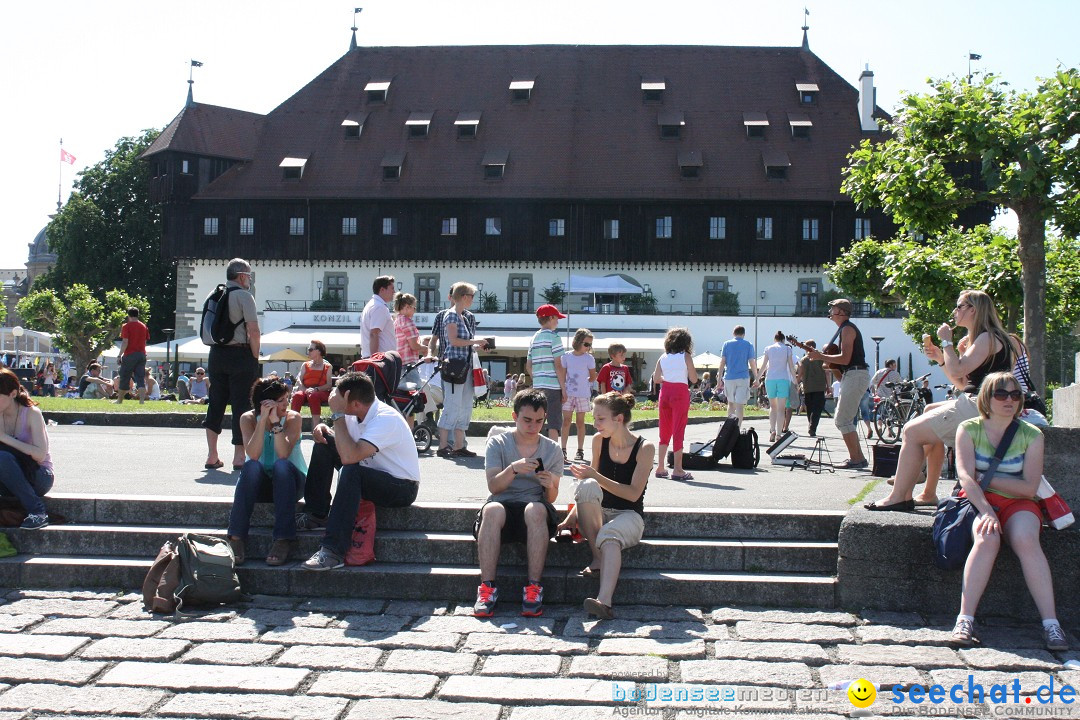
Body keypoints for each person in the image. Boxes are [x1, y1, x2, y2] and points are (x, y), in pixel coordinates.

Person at [948, 372, 1067, 651]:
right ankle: (964, 619)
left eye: (1015, 395)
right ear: (986, 399)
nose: (1009, 400)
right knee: (986, 538)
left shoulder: (1031, 434)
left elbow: (1028, 488)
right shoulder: (968, 428)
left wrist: (986, 476)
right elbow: (965, 478)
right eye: (1001, 394)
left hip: (1018, 502)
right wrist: (987, 509)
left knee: (1027, 539)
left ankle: (1051, 624)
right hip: (978, 500)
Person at [867, 290, 1015, 510]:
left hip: (980, 406)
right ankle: (928, 493)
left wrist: (947, 342)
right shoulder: (992, 337)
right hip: (982, 403)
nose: (955, 312)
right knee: (928, 410)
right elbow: (962, 383)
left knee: (910, 431)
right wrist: (940, 358)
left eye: (959, 307)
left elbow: (959, 369)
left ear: (972, 310)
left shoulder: (987, 337)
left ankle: (899, 496)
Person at [301, 372, 421, 570]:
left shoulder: (386, 419)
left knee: (351, 471)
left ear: (353, 402)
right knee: (323, 445)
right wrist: (325, 429)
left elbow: (350, 457)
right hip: (367, 471)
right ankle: (316, 513)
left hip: (401, 486)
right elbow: (344, 444)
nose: (332, 400)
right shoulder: (353, 413)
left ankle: (332, 551)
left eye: (337, 397)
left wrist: (337, 414)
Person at [559, 391, 653, 621]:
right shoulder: (599, 440)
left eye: (600, 419)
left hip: (629, 515)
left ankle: (604, 602)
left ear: (619, 419)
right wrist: (571, 516)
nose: (595, 423)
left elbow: (633, 494)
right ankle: (597, 557)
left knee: (610, 534)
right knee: (587, 484)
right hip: (601, 511)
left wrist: (595, 477)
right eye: (594, 417)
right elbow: (592, 485)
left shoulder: (645, 447)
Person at [473, 389, 564, 617]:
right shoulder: (498, 443)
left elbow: (551, 499)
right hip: (502, 506)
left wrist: (550, 483)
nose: (533, 426)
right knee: (492, 509)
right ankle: (487, 588)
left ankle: (534, 588)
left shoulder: (552, 449)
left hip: (534, 511)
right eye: (527, 420)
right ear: (514, 417)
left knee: (535, 510)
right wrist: (513, 469)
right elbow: (493, 487)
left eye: (538, 421)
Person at [227, 377, 306, 566]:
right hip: (260, 485)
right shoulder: (247, 419)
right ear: (263, 403)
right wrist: (262, 421)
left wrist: (276, 423)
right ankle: (236, 538)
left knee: (281, 465)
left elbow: (283, 454)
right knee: (251, 465)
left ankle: (283, 539)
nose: (286, 403)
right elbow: (252, 455)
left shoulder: (293, 418)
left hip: (290, 481)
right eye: (280, 401)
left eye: (287, 398)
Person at [203, 258, 261, 472]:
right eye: (249, 275)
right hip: (240, 354)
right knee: (241, 404)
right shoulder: (244, 296)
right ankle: (239, 456)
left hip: (216, 354)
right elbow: (253, 331)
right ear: (242, 276)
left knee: (216, 401)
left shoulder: (214, 295)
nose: (249, 279)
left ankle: (212, 454)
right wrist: (255, 355)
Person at [808, 299, 870, 469]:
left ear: (841, 312)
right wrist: (824, 358)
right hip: (854, 374)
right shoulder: (844, 329)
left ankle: (856, 459)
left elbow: (845, 358)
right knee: (845, 419)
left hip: (856, 374)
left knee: (842, 419)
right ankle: (858, 458)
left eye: (833, 308)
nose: (830, 310)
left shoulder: (848, 329)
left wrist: (821, 356)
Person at [428, 283, 488, 458]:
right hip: (454, 366)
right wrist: (475, 342)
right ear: (463, 296)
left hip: (464, 366)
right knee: (453, 405)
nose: (472, 299)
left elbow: (459, 342)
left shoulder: (462, 316)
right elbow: (453, 341)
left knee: (465, 405)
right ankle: (443, 445)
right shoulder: (452, 316)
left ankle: (459, 445)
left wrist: (476, 344)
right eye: (471, 295)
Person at [0, 367, 54, 530]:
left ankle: (37, 512)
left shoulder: (31, 414)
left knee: (2, 457)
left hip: (38, 475)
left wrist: (4, 438)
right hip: (10, 478)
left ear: (13, 394)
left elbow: (39, 454)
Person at [651, 327, 697, 481]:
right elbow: (694, 378)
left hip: (665, 393)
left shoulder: (663, 357)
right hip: (680, 393)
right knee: (678, 430)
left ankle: (660, 467)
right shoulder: (686, 356)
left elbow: (656, 378)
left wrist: (667, 378)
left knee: (664, 431)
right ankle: (678, 469)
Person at [527, 305, 567, 445]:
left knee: (537, 420)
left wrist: (537, 379)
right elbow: (558, 365)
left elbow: (528, 366)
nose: (558, 321)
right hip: (553, 387)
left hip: (538, 386)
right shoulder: (554, 337)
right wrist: (564, 387)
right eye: (556, 318)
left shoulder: (534, 338)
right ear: (550, 318)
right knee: (554, 422)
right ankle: (553, 454)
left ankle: (534, 451)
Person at [560, 329, 597, 463]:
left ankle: (580, 450)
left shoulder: (589, 358)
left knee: (580, 422)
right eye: (586, 344)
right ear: (578, 341)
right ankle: (563, 449)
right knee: (566, 421)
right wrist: (563, 390)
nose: (588, 348)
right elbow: (562, 376)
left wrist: (585, 381)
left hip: (582, 394)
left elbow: (593, 376)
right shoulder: (566, 357)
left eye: (590, 345)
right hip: (568, 393)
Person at [715, 325, 759, 426]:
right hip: (743, 377)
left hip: (729, 377)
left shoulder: (726, 344)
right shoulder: (748, 344)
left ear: (733, 333)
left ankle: (730, 427)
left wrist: (719, 380)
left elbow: (722, 362)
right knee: (740, 405)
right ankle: (737, 429)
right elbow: (752, 362)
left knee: (730, 403)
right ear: (744, 334)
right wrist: (756, 377)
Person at [758, 331, 797, 443]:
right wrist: (795, 381)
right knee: (781, 409)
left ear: (774, 339)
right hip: (783, 379)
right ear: (783, 340)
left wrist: (757, 379)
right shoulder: (787, 349)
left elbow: (764, 365)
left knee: (772, 407)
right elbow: (791, 366)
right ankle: (779, 434)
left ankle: (772, 430)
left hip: (770, 379)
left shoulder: (768, 348)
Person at [290, 340, 333, 427]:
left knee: (314, 396)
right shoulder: (305, 365)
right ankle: (292, 424)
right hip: (305, 390)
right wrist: (304, 389)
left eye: (310, 350)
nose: (308, 352)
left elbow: (329, 384)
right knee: (297, 395)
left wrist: (316, 389)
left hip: (320, 392)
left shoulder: (327, 367)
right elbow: (299, 379)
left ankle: (315, 427)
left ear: (319, 351)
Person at [114, 307, 150, 405]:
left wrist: (119, 355)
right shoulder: (144, 326)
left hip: (130, 355)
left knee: (124, 377)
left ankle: (119, 400)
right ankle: (142, 401)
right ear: (137, 314)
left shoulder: (126, 326)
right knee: (140, 378)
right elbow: (145, 341)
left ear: (128, 315)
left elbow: (125, 341)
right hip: (142, 354)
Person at [795, 340, 827, 437]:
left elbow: (800, 373)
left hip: (808, 387)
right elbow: (826, 372)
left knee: (810, 408)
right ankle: (812, 427)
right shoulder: (821, 357)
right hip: (820, 386)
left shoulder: (803, 360)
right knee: (817, 408)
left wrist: (796, 384)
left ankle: (811, 425)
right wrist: (828, 386)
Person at [360, 275, 397, 358]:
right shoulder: (379, 307)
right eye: (392, 288)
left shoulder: (373, 305)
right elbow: (374, 333)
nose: (394, 292)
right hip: (381, 359)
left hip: (375, 357)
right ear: (382, 290)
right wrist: (375, 360)